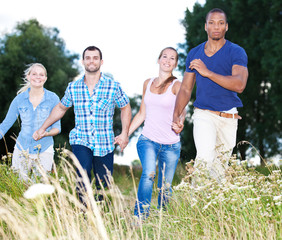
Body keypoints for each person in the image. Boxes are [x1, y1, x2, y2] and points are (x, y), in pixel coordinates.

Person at [33, 46, 131, 202]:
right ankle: (84, 214)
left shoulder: (113, 86)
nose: (91, 61)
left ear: (101, 61)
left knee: (104, 184)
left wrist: (125, 133)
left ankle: (101, 214)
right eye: (88, 58)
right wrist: (43, 128)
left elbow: (125, 107)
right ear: (83, 61)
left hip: (104, 142)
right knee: (82, 174)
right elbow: (60, 108)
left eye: (95, 58)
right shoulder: (74, 87)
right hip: (81, 138)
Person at [173, 8, 248, 184]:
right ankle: (194, 206)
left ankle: (213, 210)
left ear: (226, 27)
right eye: (212, 23)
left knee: (219, 170)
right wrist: (176, 115)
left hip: (229, 116)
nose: (216, 26)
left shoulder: (236, 52)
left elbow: (239, 84)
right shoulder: (194, 54)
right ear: (206, 26)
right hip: (203, 114)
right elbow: (185, 89)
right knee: (204, 159)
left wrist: (207, 72)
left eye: (221, 23)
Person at [122, 47, 185, 219]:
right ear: (158, 60)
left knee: (165, 185)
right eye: (165, 56)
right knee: (149, 173)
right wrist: (125, 134)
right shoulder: (147, 83)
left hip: (171, 145)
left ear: (175, 64)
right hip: (148, 139)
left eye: (172, 58)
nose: (167, 60)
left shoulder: (177, 85)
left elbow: (182, 109)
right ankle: (140, 216)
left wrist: (181, 122)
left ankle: (162, 220)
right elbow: (142, 113)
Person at [0, 63, 61, 181]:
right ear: (28, 77)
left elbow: (57, 128)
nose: (38, 77)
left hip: (44, 150)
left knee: (39, 191)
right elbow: (5, 125)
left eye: (41, 74)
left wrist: (45, 133)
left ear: (45, 78)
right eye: (34, 74)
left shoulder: (53, 98)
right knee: (20, 189)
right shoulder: (19, 99)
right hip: (21, 150)